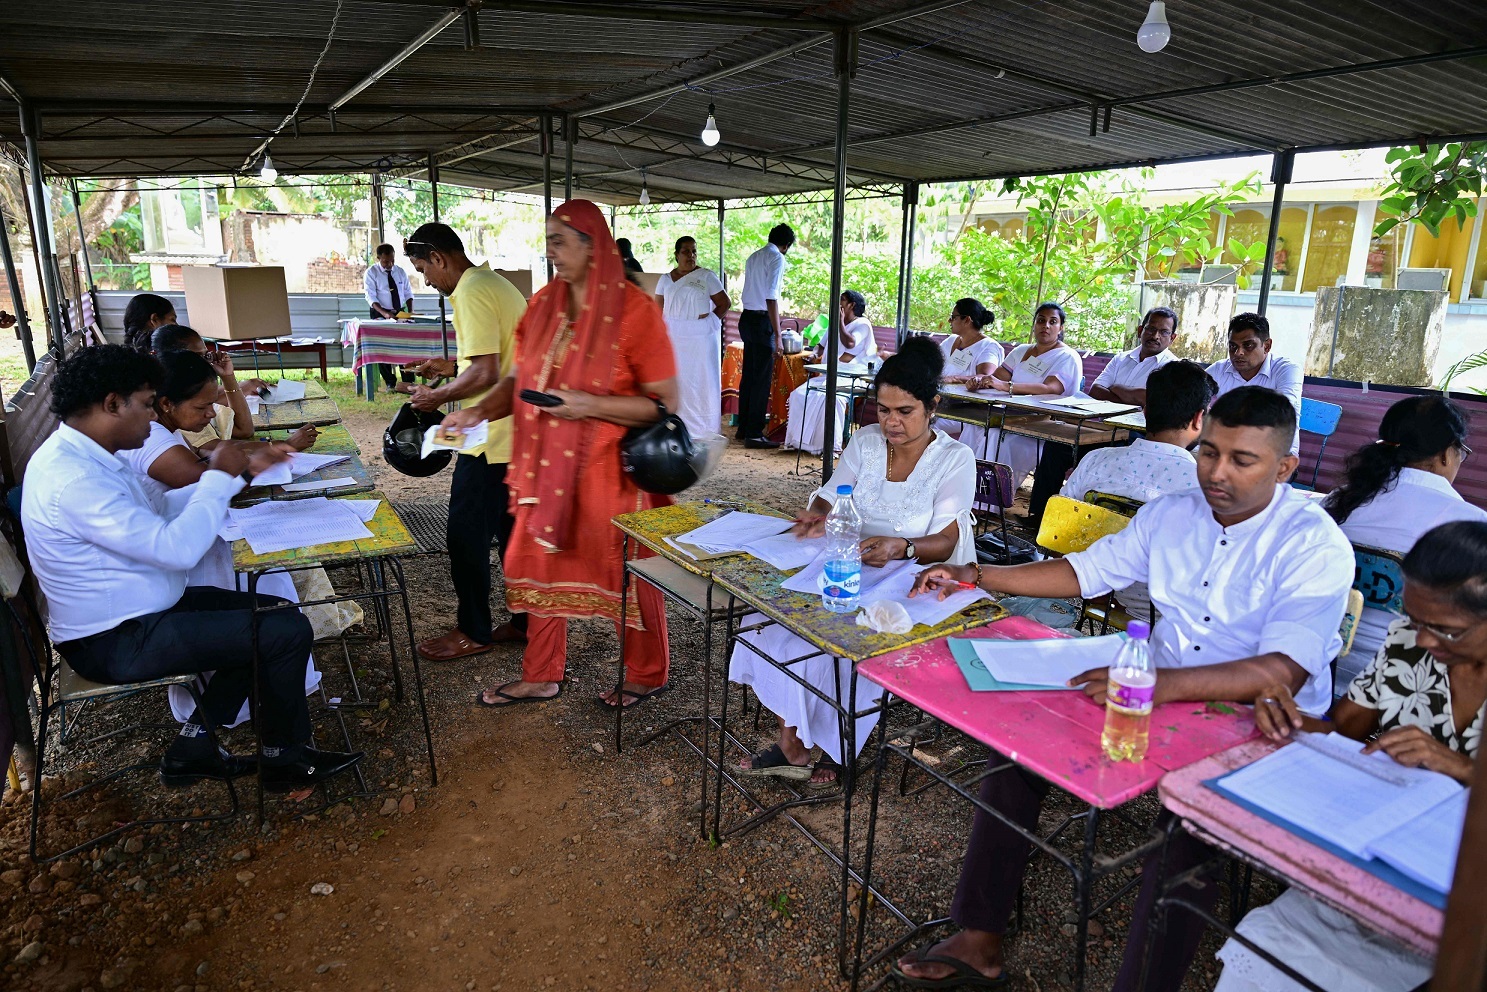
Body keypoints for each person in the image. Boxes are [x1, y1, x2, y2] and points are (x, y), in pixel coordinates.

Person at [900, 385, 1353, 992]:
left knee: (1187, 833)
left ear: (1285, 467)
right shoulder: (1173, 512)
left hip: (1256, 720)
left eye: (1242, 460)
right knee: (1016, 749)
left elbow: (1281, 673)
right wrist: (977, 574)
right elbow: (1086, 571)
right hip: (1152, 685)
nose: (1217, 473)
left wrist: (1152, 685)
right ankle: (979, 934)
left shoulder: (1312, 541)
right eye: (1208, 452)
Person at [21, 345, 360, 791]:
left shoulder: (88, 456)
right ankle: (284, 761)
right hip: (114, 637)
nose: (151, 416)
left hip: (142, 609)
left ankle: (194, 749)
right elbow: (176, 549)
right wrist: (218, 479)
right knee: (281, 632)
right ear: (111, 404)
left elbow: (160, 508)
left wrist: (234, 476)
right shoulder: (76, 480)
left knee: (275, 615)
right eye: (145, 404)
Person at [1220, 519, 1487, 992]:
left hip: (1463, 889)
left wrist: (1464, 769)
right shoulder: (1408, 643)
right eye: (1416, 620)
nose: (1423, 640)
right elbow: (1345, 731)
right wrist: (1289, 716)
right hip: (1377, 854)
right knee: (1272, 945)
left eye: (1445, 631)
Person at [439, 199, 679, 709]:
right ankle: (541, 674)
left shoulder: (635, 311)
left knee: (625, 570)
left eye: (561, 240)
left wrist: (588, 405)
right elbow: (517, 381)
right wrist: (475, 412)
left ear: (594, 247)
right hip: (544, 467)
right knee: (536, 563)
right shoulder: (543, 304)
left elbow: (663, 404)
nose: (551, 250)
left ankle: (647, 671)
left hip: (610, 472)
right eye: (547, 239)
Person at [732, 337, 976, 784]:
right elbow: (831, 497)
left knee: (834, 640)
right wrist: (817, 516)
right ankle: (795, 742)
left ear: (932, 406)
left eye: (905, 412)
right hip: (853, 563)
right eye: (883, 410)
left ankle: (831, 743)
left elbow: (946, 541)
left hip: (915, 576)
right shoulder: (865, 442)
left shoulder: (954, 459)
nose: (892, 422)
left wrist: (902, 547)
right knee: (769, 622)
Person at [116, 350, 322, 726]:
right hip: (171, 569)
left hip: (178, 548)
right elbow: (209, 484)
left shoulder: (161, 430)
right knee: (270, 604)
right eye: (203, 407)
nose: (212, 414)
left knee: (273, 593)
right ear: (165, 403)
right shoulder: (151, 440)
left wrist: (253, 460)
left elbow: (215, 470)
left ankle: (258, 709)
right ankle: (258, 714)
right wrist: (255, 463)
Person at [400, 223, 529, 662]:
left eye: (422, 269)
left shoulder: (471, 291)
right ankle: (526, 621)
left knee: (465, 537)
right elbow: (497, 357)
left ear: (438, 257)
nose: (426, 280)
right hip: (516, 434)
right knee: (513, 535)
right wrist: (451, 365)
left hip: (490, 440)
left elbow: (487, 374)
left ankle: (473, 629)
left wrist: (435, 396)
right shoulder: (495, 283)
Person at [1323, 394, 1486, 686]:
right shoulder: (1471, 524)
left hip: (1324, 667)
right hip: (1409, 683)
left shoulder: (1338, 502)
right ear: (1447, 454)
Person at [1059, 360, 1218, 620]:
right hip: (1166, 610)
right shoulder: (1203, 484)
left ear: (1145, 411)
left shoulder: (1095, 460)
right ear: (1199, 418)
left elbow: (1060, 529)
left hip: (1093, 588)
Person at [957, 302, 1082, 502]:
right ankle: (961, 493)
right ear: (1034, 324)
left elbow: (1052, 388)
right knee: (974, 428)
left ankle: (989, 501)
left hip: (1042, 423)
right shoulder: (1022, 351)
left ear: (1061, 328)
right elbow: (996, 377)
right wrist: (979, 382)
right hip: (1011, 415)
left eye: (1053, 322)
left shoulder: (1066, 356)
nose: (1046, 326)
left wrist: (1008, 387)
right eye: (1041, 320)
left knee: (996, 437)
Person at [149, 322, 284, 450]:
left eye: (206, 355)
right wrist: (285, 445)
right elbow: (215, 450)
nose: (206, 363)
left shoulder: (190, 404)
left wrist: (228, 377)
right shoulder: (179, 407)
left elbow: (244, 430)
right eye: (196, 358)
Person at [784, 290, 878, 456]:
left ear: (852, 305)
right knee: (799, 394)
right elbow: (820, 346)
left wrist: (840, 321)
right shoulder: (834, 323)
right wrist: (814, 355)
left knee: (831, 398)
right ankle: (798, 442)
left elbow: (849, 342)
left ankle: (831, 447)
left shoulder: (863, 324)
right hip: (829, 375)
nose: (838, 304)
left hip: (853, 377)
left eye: (842, 300)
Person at [654, 235, 730, 438]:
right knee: (677, 380)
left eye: (694, 251)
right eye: (686, 251)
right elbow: (657, 310)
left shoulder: (707, 276)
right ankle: (676, 425)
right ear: (676, 254)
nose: (691, 255)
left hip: (700, 339)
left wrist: (708, 324)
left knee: (701, 381)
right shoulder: (665, 279)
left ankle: (702, 429)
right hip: (674, 338)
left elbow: (725, 303)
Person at [1207, 312, 1303, 454]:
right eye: (1233, 346)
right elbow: (1193, 392)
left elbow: (1282, 410)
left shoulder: (1287, 369)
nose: (1238, 353)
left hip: (1275, 455)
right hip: (1227, 451)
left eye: (1248, 345)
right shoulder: (1220, 369)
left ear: (1267, 346)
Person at [736, 223, 795, 449]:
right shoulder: (777, 258)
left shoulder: (754, 256)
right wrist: (778, 335)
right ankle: (754, 433)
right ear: (786, 245)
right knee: (760, 379)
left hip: (747, 319)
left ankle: (743, 428)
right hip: (762, 322)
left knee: (749, 375)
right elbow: (771, 298)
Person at [933, 298, 1004, 440]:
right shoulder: (951, 340)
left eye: (953, 317)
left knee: (928, 426)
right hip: (943, 402)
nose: (949, 320)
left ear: (967, 320)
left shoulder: (988, 347)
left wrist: (954, 379)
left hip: (968, 409)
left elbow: (986, 377)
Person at [1087, 306, 1179, 406]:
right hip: (1102, 422)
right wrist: (1135, 402)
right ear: (1140, 331)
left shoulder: (1174, 368)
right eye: (1151, 329)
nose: (1155, 336)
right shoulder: (1120, 359)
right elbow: (1095, 391)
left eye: (1164, 332)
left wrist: (1116, 388)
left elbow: (1155, 403)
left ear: (1172, 338)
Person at [364, 243, 417, 391]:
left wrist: (410, 312)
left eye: (392, 260)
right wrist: (385, 314)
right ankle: (390, 382)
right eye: (386, 261)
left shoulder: (399, 272)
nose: (390, 264)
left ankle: (408, 380)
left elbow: (408, 293)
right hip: (379, 312)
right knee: (383, 347)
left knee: (405, 345)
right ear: (378, 258)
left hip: (399, 312)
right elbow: (371, 297)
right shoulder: (371, 273)